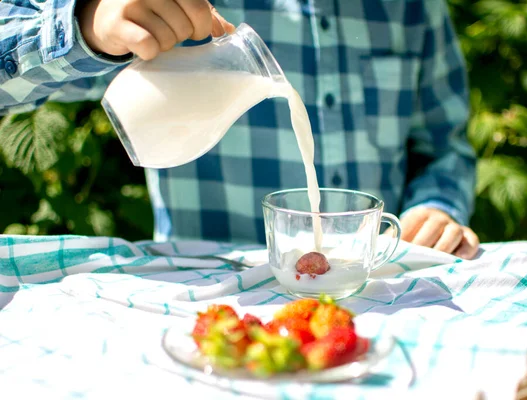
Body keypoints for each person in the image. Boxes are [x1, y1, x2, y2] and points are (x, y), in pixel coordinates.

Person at [0, 0, 480, 259]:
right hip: (208, 298)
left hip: (374, 300)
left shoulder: (411, 8)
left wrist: (436, 207)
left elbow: (444, 146)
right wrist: (86, 23)